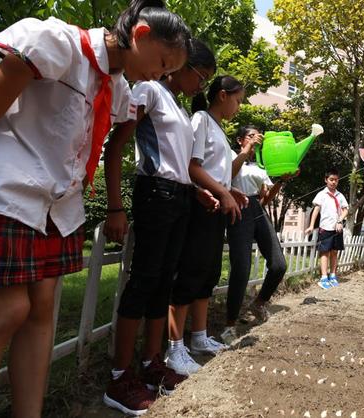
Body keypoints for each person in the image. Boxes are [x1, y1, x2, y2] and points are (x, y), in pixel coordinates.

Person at [0, 0, 190, 416]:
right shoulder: (57, 43)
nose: (161, 76)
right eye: (163, 62)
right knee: (5, 310)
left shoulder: (119, 87)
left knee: (41, 313)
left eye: (168, 72)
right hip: (10, 190)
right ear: (140, 34)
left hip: (58, 207)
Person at [102, 38, 216, 415]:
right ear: (179, 66)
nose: (201, 85)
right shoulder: (149, 89)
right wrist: (115, 207)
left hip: (180, 198)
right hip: (155, 194)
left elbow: (179, 162)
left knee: (164, 282)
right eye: (200, 75)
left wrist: (195, 190)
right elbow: (116, 146)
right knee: (144, 279)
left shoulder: (182, 110)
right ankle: (119, 377)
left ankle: (152, 366)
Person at [165, 76, 247, 373]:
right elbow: (191, 166)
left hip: (216, 209)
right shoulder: (200, 119)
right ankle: (174, 348)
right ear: (222, 96)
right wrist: (222, 190)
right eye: (238, 100)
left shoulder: (219, 130)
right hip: (201, 209)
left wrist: (229, 189)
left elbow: (213, 172)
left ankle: (199, 338)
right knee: (190, 272)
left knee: (207, 273)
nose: (239, 107)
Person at [220, 125, 290, 344]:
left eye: (257, 136)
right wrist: (246, 150)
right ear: (240, 140)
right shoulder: (232, 155)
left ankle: (259, 303)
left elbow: (265, 198)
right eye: (251, 136)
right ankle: (229, 326)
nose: (256, 139)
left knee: (279, 264)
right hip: (237, 208)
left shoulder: (260, 165)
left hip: (257, 210)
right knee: (241, 269)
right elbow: (227, 176)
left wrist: (281, 180)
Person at [305, 168, 348, 289]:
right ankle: (324, 277)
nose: (333, 182)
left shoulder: (340, 196)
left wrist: (340, 220)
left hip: (337, 228)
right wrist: (311, 225)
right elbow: (316, 210)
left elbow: (345, 210)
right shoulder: (321, 194)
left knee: (334, 252)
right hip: (325, 228)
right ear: (326, 180)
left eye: (336, 180)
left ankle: (333, 275)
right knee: (324, 252)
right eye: (331, 179)